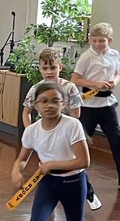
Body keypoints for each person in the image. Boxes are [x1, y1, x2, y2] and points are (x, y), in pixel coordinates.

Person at [9, 82, 92, 221]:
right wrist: (16, 171)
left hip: (73, 182)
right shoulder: (32, 131)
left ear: (63, 104)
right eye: (44, 101)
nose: (49, 106)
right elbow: (22, 159)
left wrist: (53, 164)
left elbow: (83, 161)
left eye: (55, 101)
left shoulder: (72, 125)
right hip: (47, 183)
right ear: (35, 105)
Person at [22, 47, 101, 210]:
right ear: (39, 68)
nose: (49, 72)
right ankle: (47, 199)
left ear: (60, 68)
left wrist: (65, 130)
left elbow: (76, 114)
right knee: (46, 165)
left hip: (67, 135)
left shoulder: (70, 88)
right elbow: (26, 113)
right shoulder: (35, 89)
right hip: (44, 134)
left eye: (53, 67)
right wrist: (31, 133)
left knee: (72, 166)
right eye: (45, 68)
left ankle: (89, 193)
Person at [71, 23, 120, 186]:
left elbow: (117, 74)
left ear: (109, 40)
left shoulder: (115, 55)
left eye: (101, 41)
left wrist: (114, 81)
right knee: (82, 141)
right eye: (94, 41)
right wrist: (95, 84)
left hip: (107, 104)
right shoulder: (86, 57)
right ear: (90, 41)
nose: (97, 44)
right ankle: (72, 174)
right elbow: (75, 79)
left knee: (116, 140)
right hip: (88, 105)